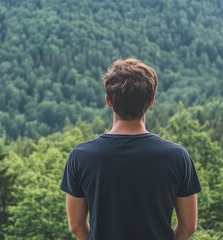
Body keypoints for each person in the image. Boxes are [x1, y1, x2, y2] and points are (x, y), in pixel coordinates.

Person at [60, 58, 202, 240]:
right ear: (151, 101)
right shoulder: (177, 157)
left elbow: (76, 226)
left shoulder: (80, 157)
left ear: (109, 101)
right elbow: (188, 227)